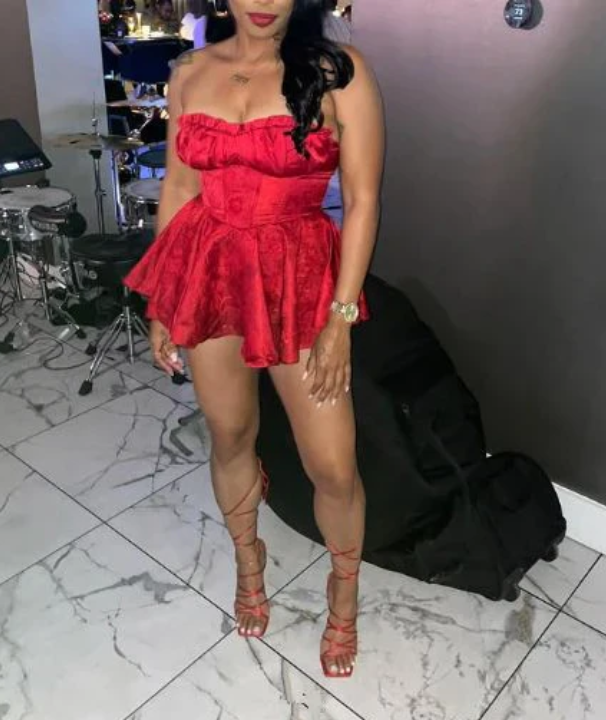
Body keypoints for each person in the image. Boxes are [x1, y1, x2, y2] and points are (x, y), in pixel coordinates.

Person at [124, 0, 384, 679]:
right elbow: (181, 186)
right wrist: (164, 299)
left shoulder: (339, 70)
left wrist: (341, 319)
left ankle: (344, 589)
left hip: (300, 279)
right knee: (230, 435)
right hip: (210, 268)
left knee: (333, 466)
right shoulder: (189, 72)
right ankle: (249, 562)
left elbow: (362, 201)